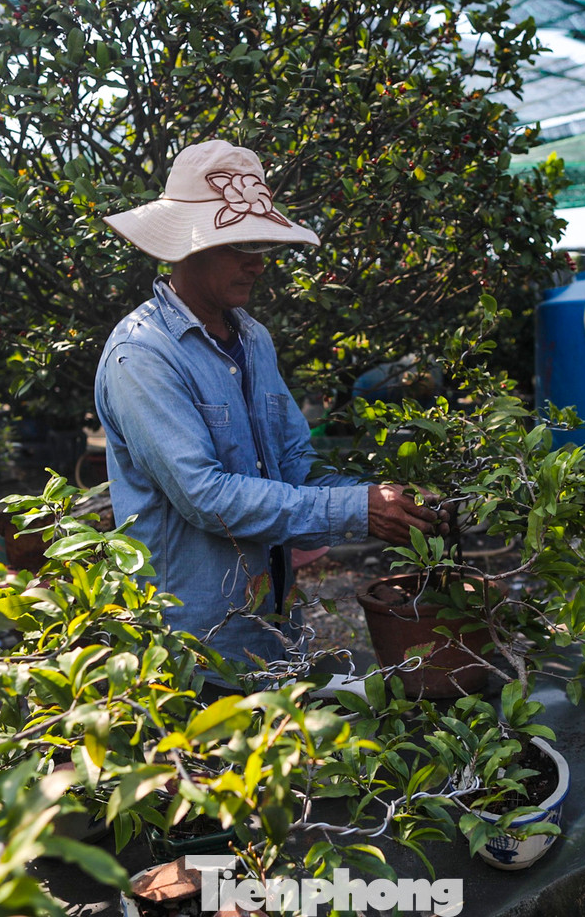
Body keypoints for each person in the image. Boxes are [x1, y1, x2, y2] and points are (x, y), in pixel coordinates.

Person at [96, 139, 446, 682]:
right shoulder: (142, 355)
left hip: (269, 624)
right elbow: (205, 498)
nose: (258, 265)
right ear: (188, 247)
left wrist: (386, 501)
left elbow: (292, 463)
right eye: (240, 246)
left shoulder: (252, 339)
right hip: (191, 645)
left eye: (262, 245)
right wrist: (354, 511)